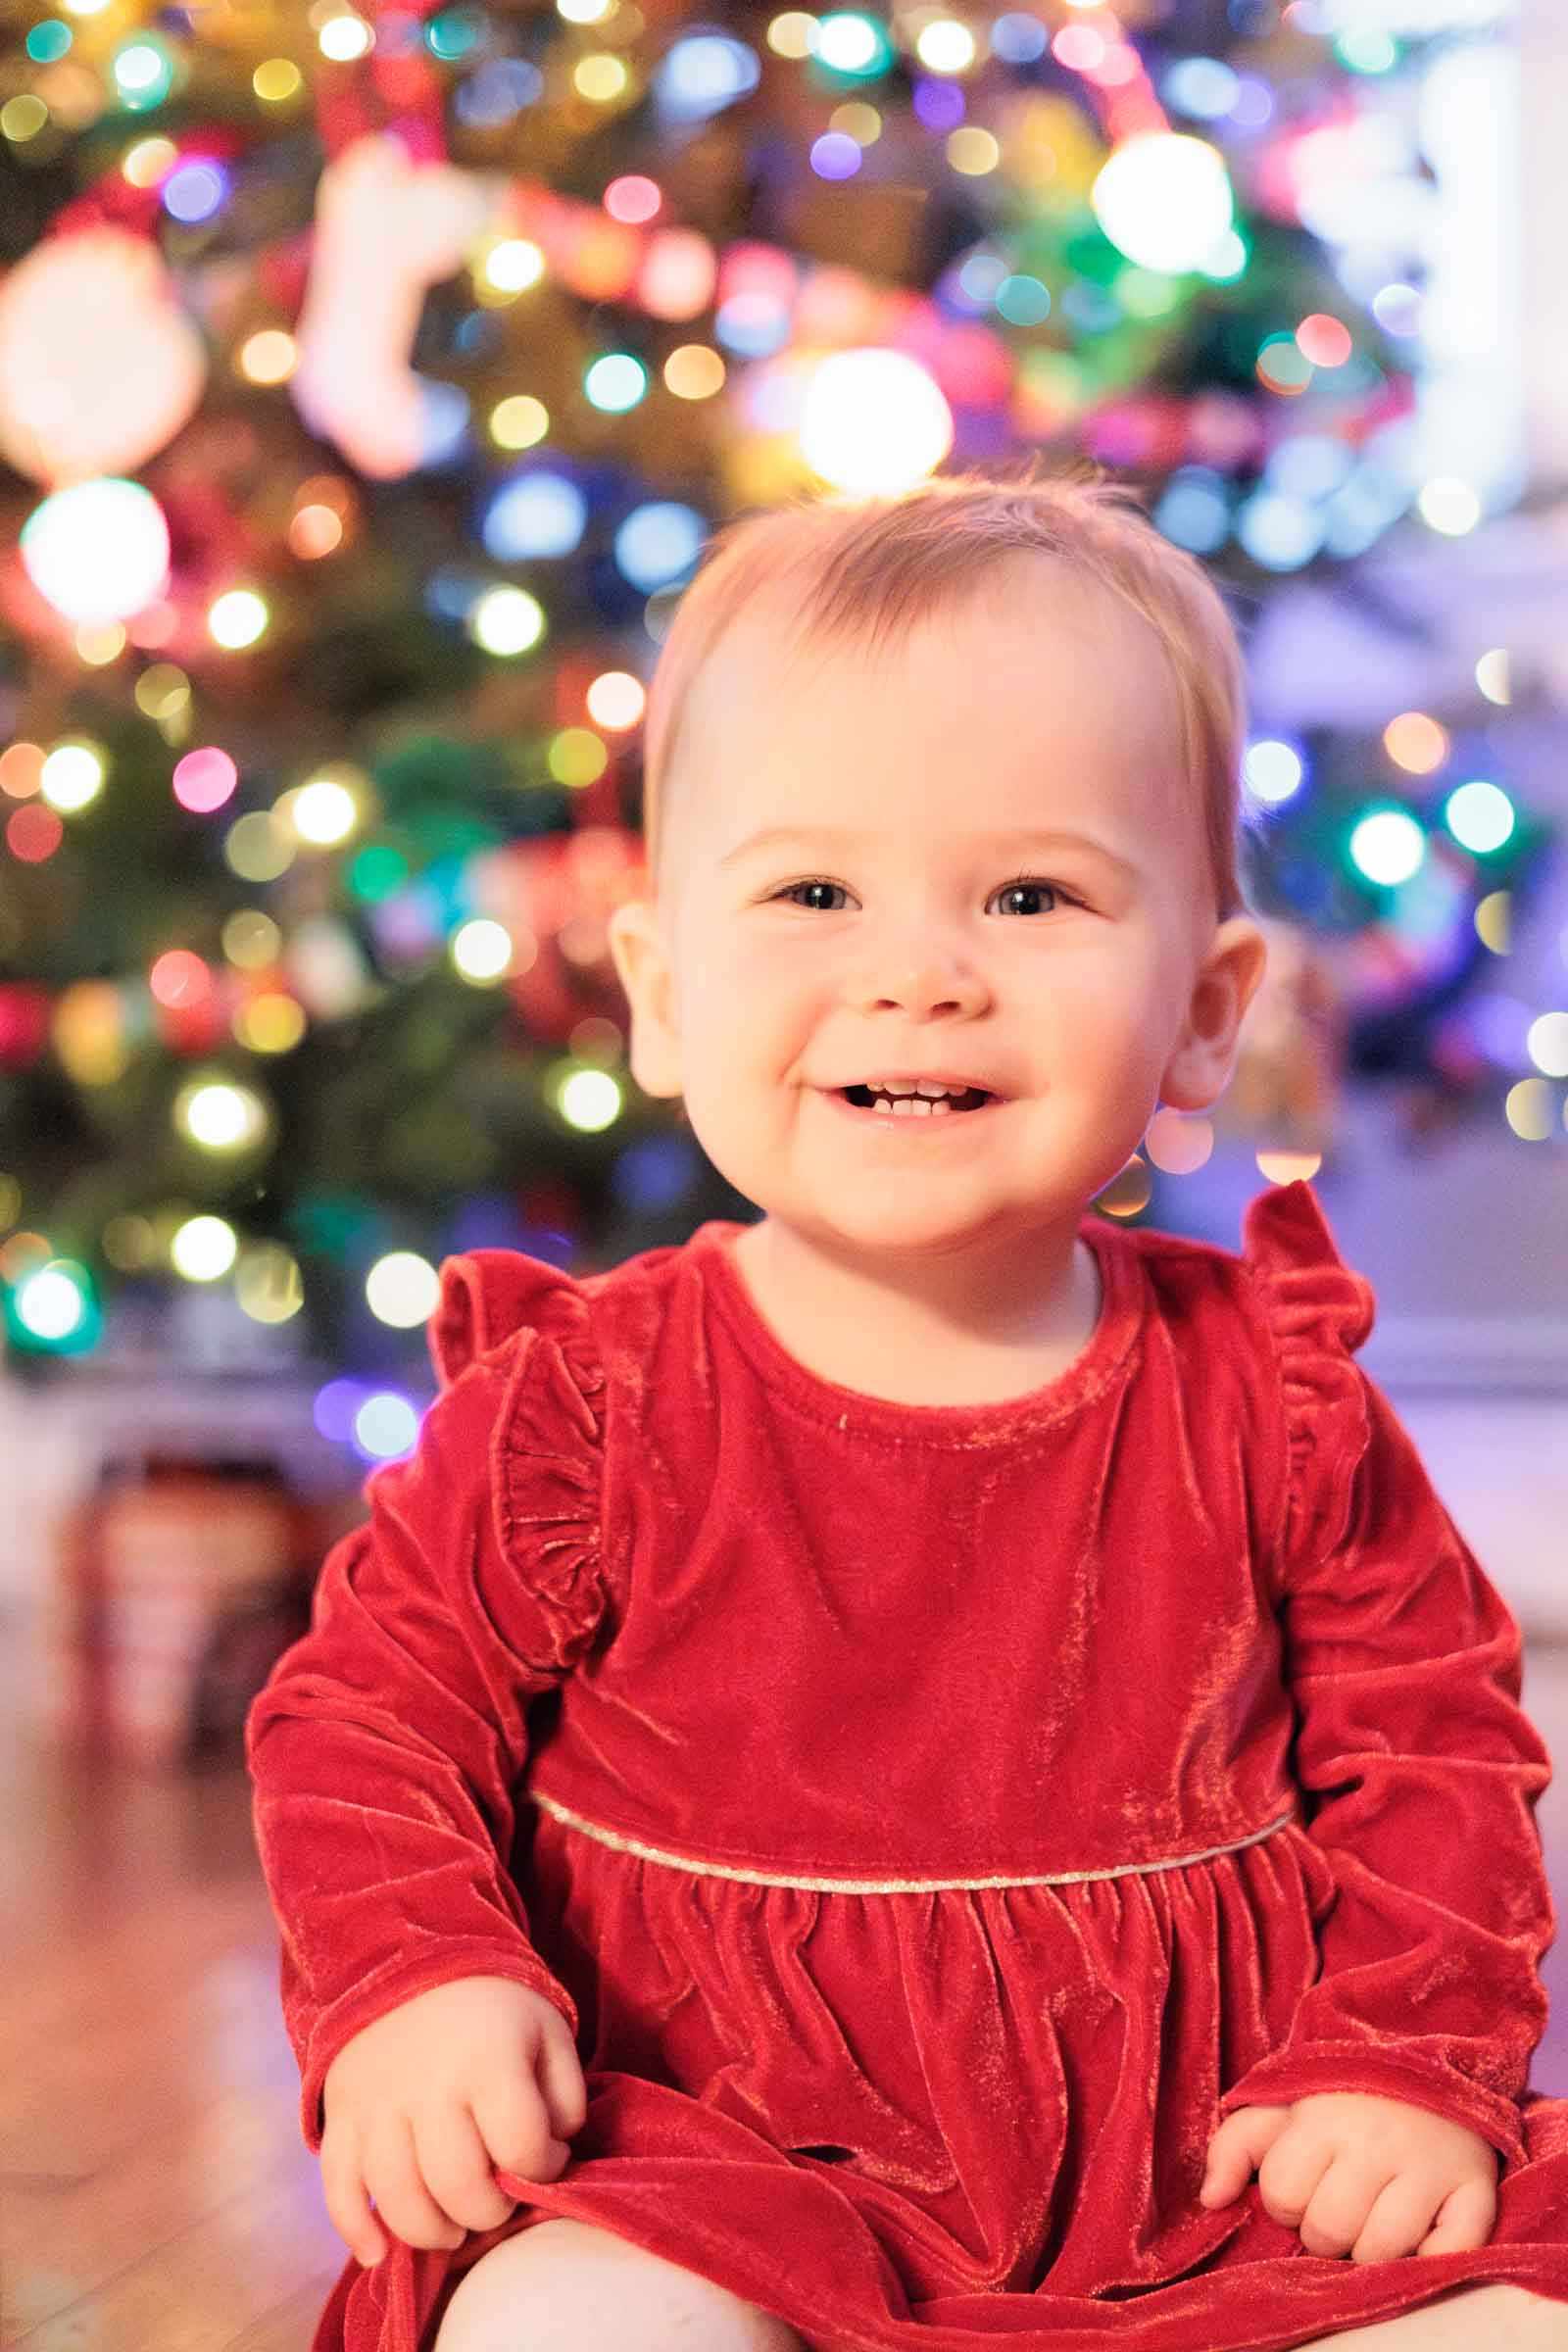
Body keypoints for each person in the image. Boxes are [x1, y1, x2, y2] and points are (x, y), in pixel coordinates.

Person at [245, 462, 1568, 2352]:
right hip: (706, 2159)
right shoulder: (589, 1409)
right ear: (663, 990)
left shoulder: (1270, 1402)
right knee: (575, 2330)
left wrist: (1396, 2062)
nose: (920, 975)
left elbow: (1438, 1753)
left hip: (1210, 2177)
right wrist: (417, 1981)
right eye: (812, 890)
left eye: (1031, 893)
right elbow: (366, 1721)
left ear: (1204, 1010)